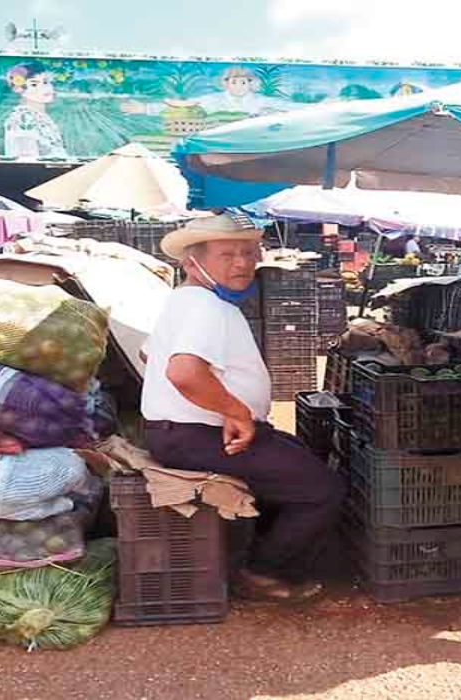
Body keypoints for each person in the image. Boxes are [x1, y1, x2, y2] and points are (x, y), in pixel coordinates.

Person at [141, 214, 346, 601]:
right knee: (323, 489)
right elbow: (184, 372)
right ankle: (262, 572)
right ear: (191, 261)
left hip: (185, 430)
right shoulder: (204, 306)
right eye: (227, 255)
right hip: (197, 434)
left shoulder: (187, 300)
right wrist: (235, 412)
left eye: (249, 253)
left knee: (294, 458)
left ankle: (262, 553)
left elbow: (147, 352)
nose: (241, 263)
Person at [3, 62, 67, 159]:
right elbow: (27, 161)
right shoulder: (23, 119)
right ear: (18, 89)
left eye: (45, 82)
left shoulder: (40, 116)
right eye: (34, 84)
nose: (44, 88)